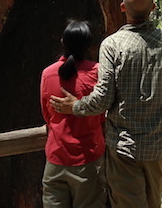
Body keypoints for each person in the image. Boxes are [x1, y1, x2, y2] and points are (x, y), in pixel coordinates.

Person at [50, 0, 162, 208]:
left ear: (122, 8)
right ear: (153, 8)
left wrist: (75, 106)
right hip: (159, 146)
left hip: (125, 148)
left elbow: (102, 99)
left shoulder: (113, 44)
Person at [40, 20, 106, 208]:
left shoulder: (47, 74)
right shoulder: (97, 73)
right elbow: (101, 113)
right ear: (89, 46)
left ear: (63, 41)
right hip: (88, 157)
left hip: (55, 156)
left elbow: (47, 114)